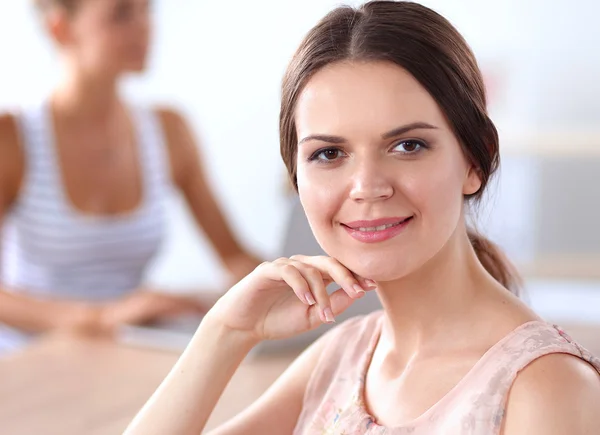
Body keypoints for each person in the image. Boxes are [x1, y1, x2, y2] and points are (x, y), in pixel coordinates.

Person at [125, 2, 600, 434]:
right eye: (329, 153)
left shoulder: (547, 387)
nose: (368, 186)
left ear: (474, 162)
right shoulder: (342, 358)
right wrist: (226, 332)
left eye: (408, 146)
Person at [0, 0, 260, 354]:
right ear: (59, 28)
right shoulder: (12, 139)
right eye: (121, 13)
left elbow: (233, 257)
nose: (144, 26)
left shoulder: (169, 130)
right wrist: (101, 317)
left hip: (129, 351)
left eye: (146, 10)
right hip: (31, 360)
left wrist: (300, 277)